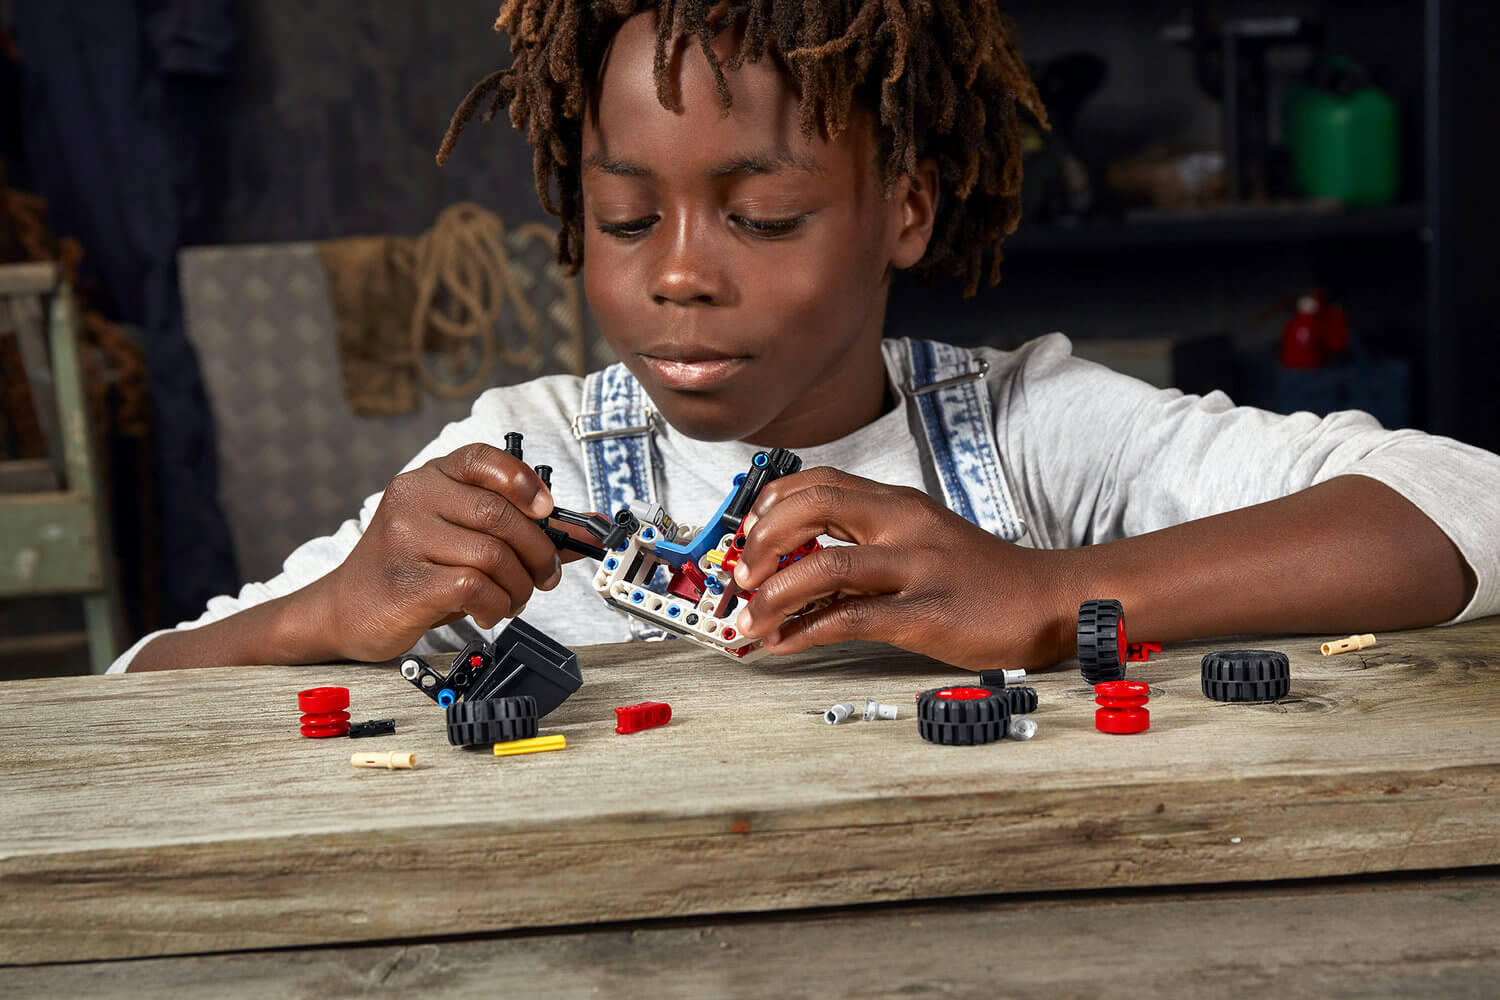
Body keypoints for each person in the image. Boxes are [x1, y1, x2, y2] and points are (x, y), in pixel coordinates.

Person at [112, 1, 1499, 675]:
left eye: (762, 216)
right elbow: (134, 692)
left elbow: (1467, 506)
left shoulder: (1031, 437)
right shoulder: (513, 458)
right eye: (620, 216)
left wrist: (1048, 590)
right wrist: (329, 609)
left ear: (903, 208)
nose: (678, 277)